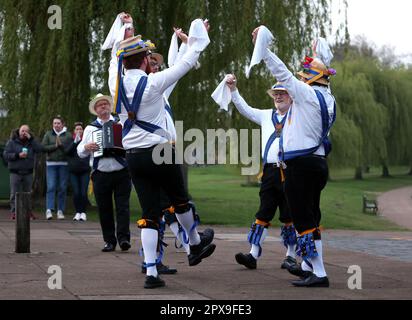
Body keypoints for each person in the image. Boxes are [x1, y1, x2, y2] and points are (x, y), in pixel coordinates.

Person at [106, 12, 216, 289]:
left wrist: (124, 30)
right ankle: (193, 244)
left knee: (149, 214)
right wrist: (196, 38)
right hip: (161, 152)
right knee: (180, 201)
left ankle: (152, 273)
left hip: (133, 157)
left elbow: (112, 59)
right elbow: (188, 62)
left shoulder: (114, 84)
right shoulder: (154, 83)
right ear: (144, 61)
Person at [252, 27, 337, 287]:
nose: (300, 80)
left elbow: (283, 76)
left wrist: (263, 49)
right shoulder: (330, 99)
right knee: (312, 215)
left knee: (303, 218)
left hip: (300, 165)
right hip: (318, 163)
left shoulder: (307, 95)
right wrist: (317, 55)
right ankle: (309, 265)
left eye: (304, 77)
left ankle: (319, 272)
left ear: (310, 80)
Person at [225, 78, 298, 271]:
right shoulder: (266, 116)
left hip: (291, 171)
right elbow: (244, 108)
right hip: (270, 172)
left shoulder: (298, 116)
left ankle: (291, 256)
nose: (279, 97)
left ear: (291, 96)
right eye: (276, 94)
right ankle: (253, 254)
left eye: (282, 93)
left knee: (289, 214)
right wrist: (233, 90)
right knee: (263, 212)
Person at [77, 94, 132, 252]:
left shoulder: (120, 124)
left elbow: (131, 142)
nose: (103, 107)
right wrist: (87, 147)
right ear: (95, 110)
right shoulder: (91, 128)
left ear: (110, 107)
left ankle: (123, 239)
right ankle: (109, 241)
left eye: (106, 104)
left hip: (122, 171)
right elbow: (80, 151)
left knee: (123, 207)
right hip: (100, 173)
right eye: (100, 105)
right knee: (104, 208)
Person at [3, 125, 44, 220]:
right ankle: (14, 212)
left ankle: (28, 212)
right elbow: (6, 155)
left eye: (26, 131)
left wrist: (32, 140)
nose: (24, 133)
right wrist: (17, 155)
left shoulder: (31, 143)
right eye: (22, 131)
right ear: (19, 131)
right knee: (14, 193)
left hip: (28, 172)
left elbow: (39, 149)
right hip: (15, 171)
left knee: (28, 193)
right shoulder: (12, 142)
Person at [42, 116, 72, 220]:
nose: (56, 125)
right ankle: (49, 209)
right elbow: (43, 147)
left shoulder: (68, 135)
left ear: (62, 124)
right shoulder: (48, 134)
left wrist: (61, 145)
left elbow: (70, 148)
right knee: (51, 186)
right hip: (51, 164)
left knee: (62, 188)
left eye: (58, 123)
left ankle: (60, 210)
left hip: (63, 164)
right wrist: (54, 146)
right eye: (54, 123)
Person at [64, 122, 91, 222]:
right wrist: (75, 142)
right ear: (74, 131)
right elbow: (67, 152)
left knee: (83, 192)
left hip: (84, 170)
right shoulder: (70, 140)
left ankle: (83, 212)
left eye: (80, 129)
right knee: (76, 192)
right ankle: (77, 212)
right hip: (73, 171)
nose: (79, 131)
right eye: (77, 129)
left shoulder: (86, 141)